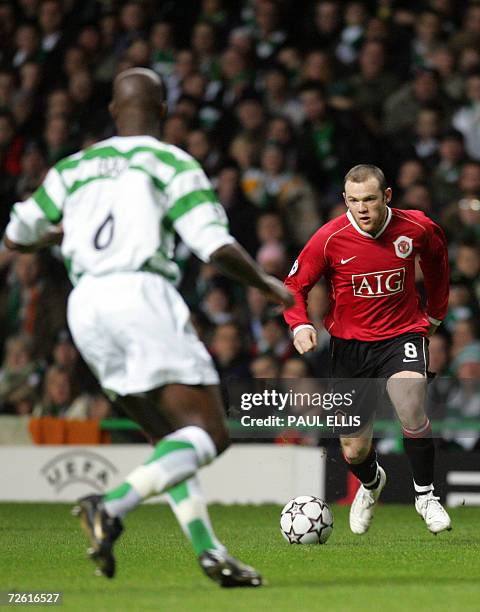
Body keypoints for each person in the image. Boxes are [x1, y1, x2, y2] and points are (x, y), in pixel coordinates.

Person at [3, 68, 294, 586]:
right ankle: (110, 506)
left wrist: (65, 239)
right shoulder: (170, 161)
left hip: (86, 306)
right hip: (140, 294)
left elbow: (18, 233)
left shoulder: (74, 167)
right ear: (162, 112)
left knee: (169, 436)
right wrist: (269, 285)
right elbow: (213, 244)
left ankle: (209, 552)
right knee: (210, 432)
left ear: (114, 112)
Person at [284, 164, 452, 536]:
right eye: (354, 200)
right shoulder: (329, 238)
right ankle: (373, 481)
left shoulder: (417, 227)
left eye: (370, 199)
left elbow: (438, 263)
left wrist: (435, 315)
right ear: (345, 200)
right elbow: (294, 285)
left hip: (401, 335)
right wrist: (300, 324)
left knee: (409, 398)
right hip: (350, 347)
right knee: (354, 451)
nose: (362, 208)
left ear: (386, 197)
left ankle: (425, 496)